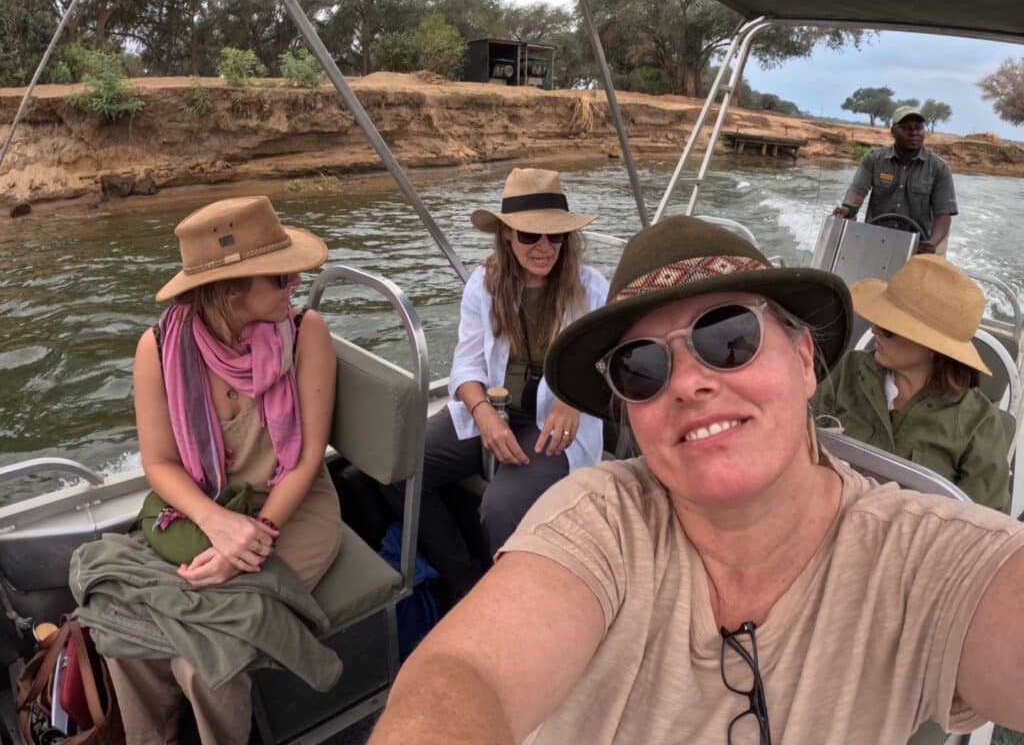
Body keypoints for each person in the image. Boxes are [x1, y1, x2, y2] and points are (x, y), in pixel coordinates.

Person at [369, 215, 1024, 745]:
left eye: (729, 336)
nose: (686, 383)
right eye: (639, 367)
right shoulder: (601, 516)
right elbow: (462, 675)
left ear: (803, 360)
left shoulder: (918, 558)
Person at [106, 196, 342, 744]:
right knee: (123, 635)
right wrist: (216, 522)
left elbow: (307, 460)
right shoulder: (158, 349)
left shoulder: (306, 332)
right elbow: (160, 462)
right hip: (205, 505)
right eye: (280, 277)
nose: (295, 286)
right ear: (230, 290)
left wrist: (251, 540)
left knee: (203, 660)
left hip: (294, 509)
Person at [383, 167, 608, 605]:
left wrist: (572, 399)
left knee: (501, 509)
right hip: (493, 410)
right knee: (399, 466)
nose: (544, 246)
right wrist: (483, 413)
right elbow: (467, 364)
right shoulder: (484, 283)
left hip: (552, 425)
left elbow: (605, 360)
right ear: (506, 234)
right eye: (530, 235)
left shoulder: (592, 288)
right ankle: (464, 577)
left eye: (556, 236)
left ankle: (517, 606)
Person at [813, 255, 1010, 511]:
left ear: (932, 347)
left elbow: (983, 522)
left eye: (889, 328)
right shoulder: (847, 370)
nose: (874, 330)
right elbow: (800, 438)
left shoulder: (978, 422)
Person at [832, 104, 958, 254]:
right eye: (907, 128)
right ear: (893, 131)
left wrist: (932, 242)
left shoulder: (939, 168)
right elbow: (857, 192)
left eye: (918, 128)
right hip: (875, 238)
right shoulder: (873, 159)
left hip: (918, 245)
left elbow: (943, 214)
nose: (914, 133)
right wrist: (847, 209)